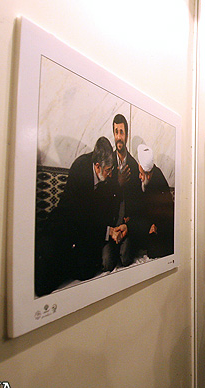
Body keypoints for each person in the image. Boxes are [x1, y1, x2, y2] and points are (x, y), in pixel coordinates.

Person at [34, 136, 121, 296]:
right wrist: (108, 231)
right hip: (66, 225)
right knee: (43, 282)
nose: (110, 174)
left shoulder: (108, 176)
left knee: (86, 271)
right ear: (97, 166)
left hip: (87, 232)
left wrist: (111, 230)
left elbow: (101, 212)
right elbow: (80, 216)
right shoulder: (81, 169)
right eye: (108, 170)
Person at [105, 114, 142, 269]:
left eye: (121, 132)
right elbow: (102, 195)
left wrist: (129, 224)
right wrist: (117, 183)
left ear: (126, 135)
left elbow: (139, 200)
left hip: (127, 223)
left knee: (126, 258)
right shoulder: (108, 162)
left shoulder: (134, 165)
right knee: (107, 263)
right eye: (116, 132)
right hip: (111, 223)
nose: (118, 137)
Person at [127, 144, 174, 258]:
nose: (140, 177)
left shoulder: (158, 182)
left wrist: (154, 226)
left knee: (153, 251)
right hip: (149, 223)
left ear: (148, 175)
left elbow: (165, 213)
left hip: (161, 227)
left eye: (142, 174)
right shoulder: (147, 180)